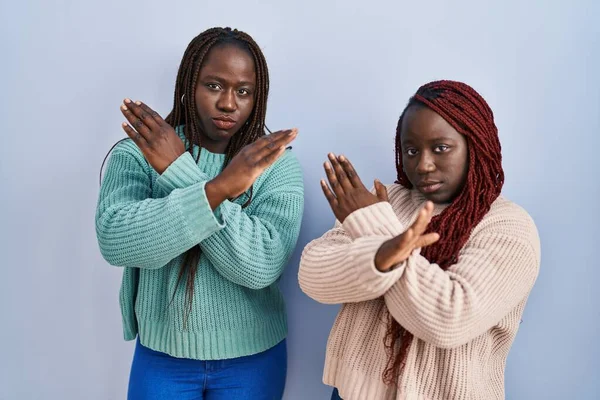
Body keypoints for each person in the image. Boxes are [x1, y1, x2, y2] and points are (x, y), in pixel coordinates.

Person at [96, 27, 304, 400]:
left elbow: (260, 266)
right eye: (213, 85)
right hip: (162, 357)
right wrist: (220, 188)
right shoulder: (138, 153)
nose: (228, 103)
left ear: (258, 98)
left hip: (253, 359)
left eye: (243, 91)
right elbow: (115, 240)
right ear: (189, 84)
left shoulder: (274, 165)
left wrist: (180, 171)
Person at [298, 80, 540, 400]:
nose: (423, 165)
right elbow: (313, 275)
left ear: (476, 145)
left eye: (440, 148)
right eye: (411, 150)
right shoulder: (390, 200)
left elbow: (448, 318)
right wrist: (382, 254)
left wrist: (375, 231)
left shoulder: (509, 226)